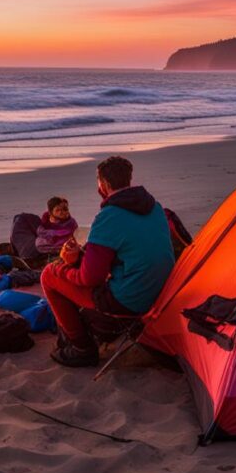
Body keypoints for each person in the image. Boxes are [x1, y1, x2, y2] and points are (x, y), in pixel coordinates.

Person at [40, 156, 175, 367]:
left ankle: (81, 348)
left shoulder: (109, 217)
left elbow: (90, 278)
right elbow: (128, 249)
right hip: (163, 292)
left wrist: (66, 266)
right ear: (128, 180)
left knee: (49, 275)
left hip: (130, 300)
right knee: (73, 270)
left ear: (103, 184)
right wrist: (80, 258)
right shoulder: (155, 207)